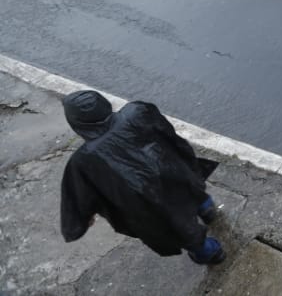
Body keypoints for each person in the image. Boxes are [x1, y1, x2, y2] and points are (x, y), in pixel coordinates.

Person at [59, 90, 224, 265]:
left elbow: (81, 194)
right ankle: (207, 211)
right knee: (192, 191)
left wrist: (82, 219)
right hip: (171, 170)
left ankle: (211, 252)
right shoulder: (137, 112)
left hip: (147, 198)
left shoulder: (83, 160)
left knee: (180, 227)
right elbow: (168, 133)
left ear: (77, 123)